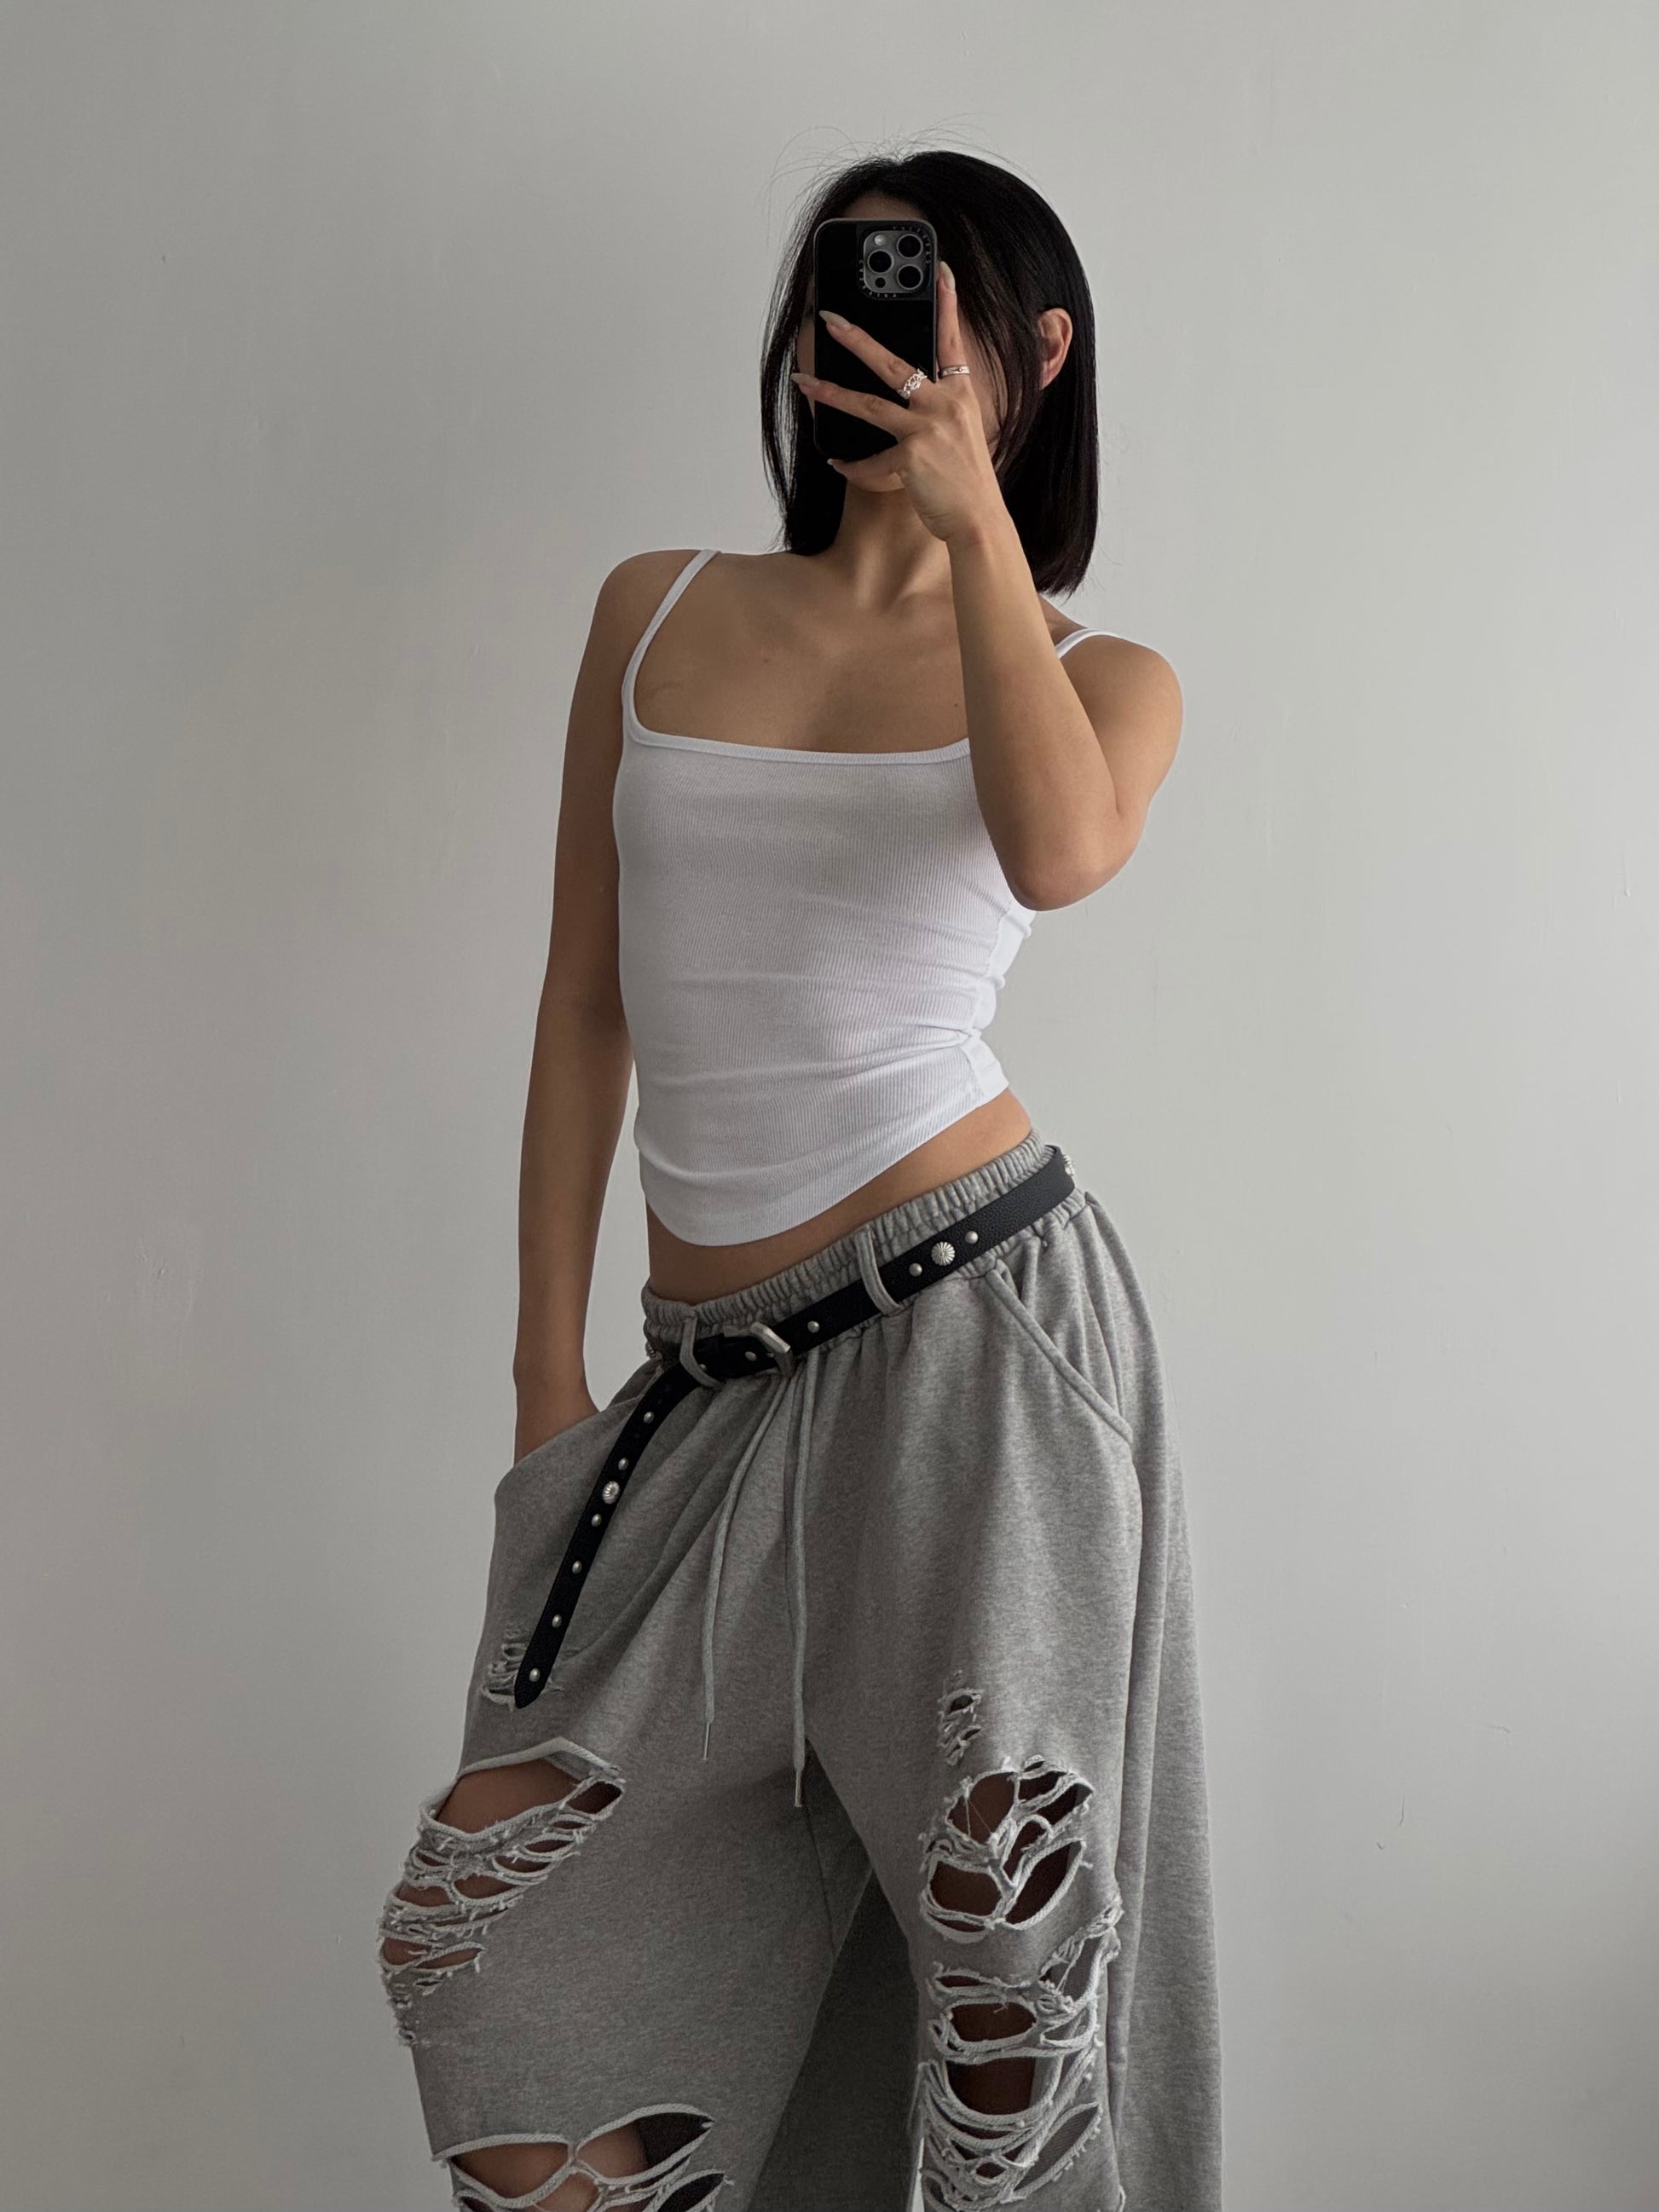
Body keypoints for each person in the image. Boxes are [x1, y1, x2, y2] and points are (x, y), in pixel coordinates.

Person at [376, 147, 1222, 2212]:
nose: (873, 331)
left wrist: (968, 522)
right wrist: (544, 1379)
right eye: (845, 291)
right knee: (488, 1951)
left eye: (923, 299)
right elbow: (585, 998)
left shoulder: (1105, 674)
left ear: (1036, 352)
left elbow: (1060, 849)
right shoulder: (656, 609)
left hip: (978, 1352)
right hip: (703, 1385)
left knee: (1013, 1994)